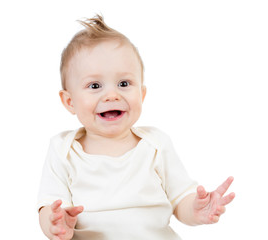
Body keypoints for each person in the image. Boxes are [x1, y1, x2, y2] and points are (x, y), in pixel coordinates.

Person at [37, 15, 235, 240]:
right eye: (94, 85)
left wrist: (196, 210)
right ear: (69, 101)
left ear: (141, 94)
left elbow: (181, 199)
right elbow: (47, 205)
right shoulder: (63, 150)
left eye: (124, 83)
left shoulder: (155, 144)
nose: (112, 95)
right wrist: (54, 223)